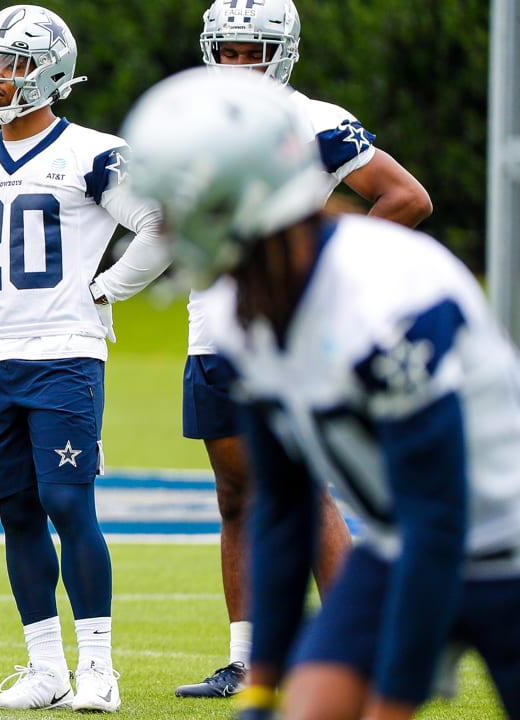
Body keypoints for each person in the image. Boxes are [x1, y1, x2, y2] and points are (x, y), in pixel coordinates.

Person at [124, 66, 520, 720]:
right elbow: (282, 503)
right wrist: (263, 687)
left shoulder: (385, 298)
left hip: (499, 545)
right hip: (401, 543)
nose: (172, 226)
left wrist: (394, 702)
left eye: (189, 204)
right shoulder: (235, 317)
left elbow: (441, 516)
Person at [174, 0, 435, 699]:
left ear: (281, 52)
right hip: (215, 325)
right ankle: (250, 661)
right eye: (225, 49)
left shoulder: (313, 120)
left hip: (288, 334)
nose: (235, 63)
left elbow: (407, 197)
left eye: (249, 50)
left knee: (302, 488)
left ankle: (359, 648)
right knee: (234, 495)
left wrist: (326, 264)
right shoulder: (199, 116)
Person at [0, 5, 168, 713]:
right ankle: (46, 669)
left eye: (12, 66)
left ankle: (97, 667)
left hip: (67, 354)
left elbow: (163, 227)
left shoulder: (96, 152)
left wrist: (105, 288)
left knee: (69, 502)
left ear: (51, 74)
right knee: (17, 512)